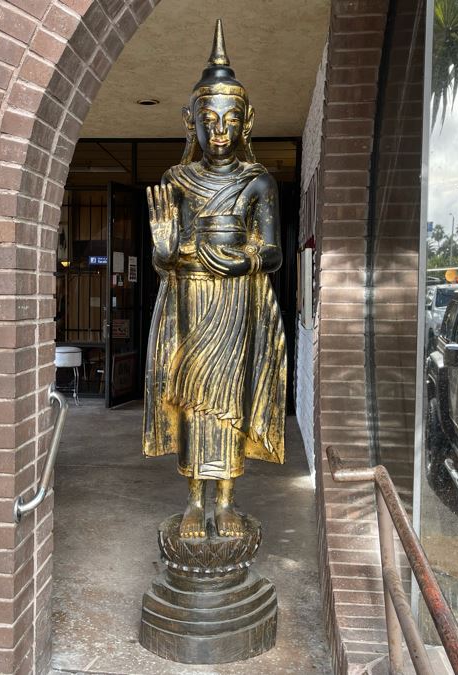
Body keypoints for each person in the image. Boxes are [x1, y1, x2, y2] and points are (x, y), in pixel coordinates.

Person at [142, 20, 287, 539]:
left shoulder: (258, 181)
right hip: (188, 300)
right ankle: (191, 499)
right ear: (191, 123)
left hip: (236, 301)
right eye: (209, 120)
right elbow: (167, 254)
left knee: (228, 399)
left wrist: (245, 262)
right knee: (187, 395)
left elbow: (271, 253)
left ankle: (224, 500)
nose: (219, 132)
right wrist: (164, 254)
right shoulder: (175, 181)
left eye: (230, 120)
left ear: (246, 122)